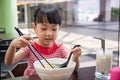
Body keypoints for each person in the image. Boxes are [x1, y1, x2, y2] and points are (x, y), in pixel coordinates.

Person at [4, 5, 82, 76]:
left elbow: (74, 69)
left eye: (54, 29)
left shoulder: (60, 48)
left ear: (59, 29)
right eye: (43, 28)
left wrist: (75, 57)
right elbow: (9, 62)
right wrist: (12, 46)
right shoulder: (30, 46)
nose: (49, 33)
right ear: (34, 27)